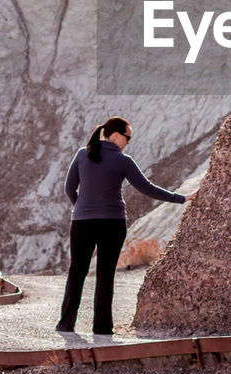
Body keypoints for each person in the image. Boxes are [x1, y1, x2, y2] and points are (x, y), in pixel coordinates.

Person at [55, 116, 194, 335]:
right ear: (116, 135)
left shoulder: (82, 154)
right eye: (127, 137)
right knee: (105, 274)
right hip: (113, 223)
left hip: (82, 222)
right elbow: (148, 188)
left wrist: (82, 207)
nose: (129, 142)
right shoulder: (123, 160)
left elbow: (68, 188)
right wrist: (181, 198)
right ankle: (101, 328)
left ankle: (65, 323)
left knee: (77, 270)